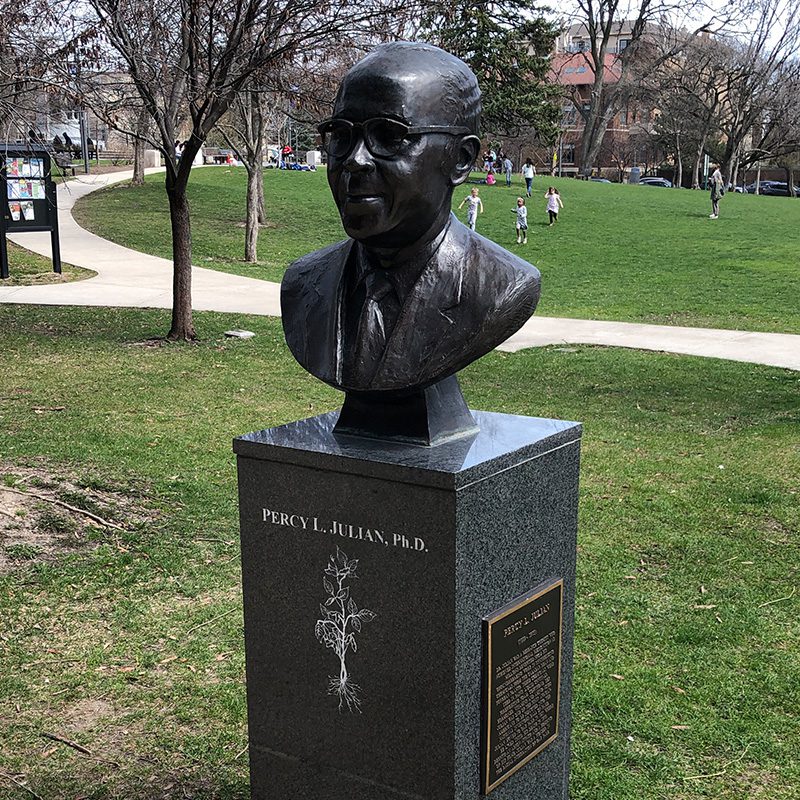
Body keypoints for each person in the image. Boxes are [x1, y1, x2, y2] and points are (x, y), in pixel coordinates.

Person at [282, 42, 541, 399]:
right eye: (342, 136)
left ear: (460, 159)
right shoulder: (303, 284)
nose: (355, 160)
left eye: (388, 136)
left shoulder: (501, 286)